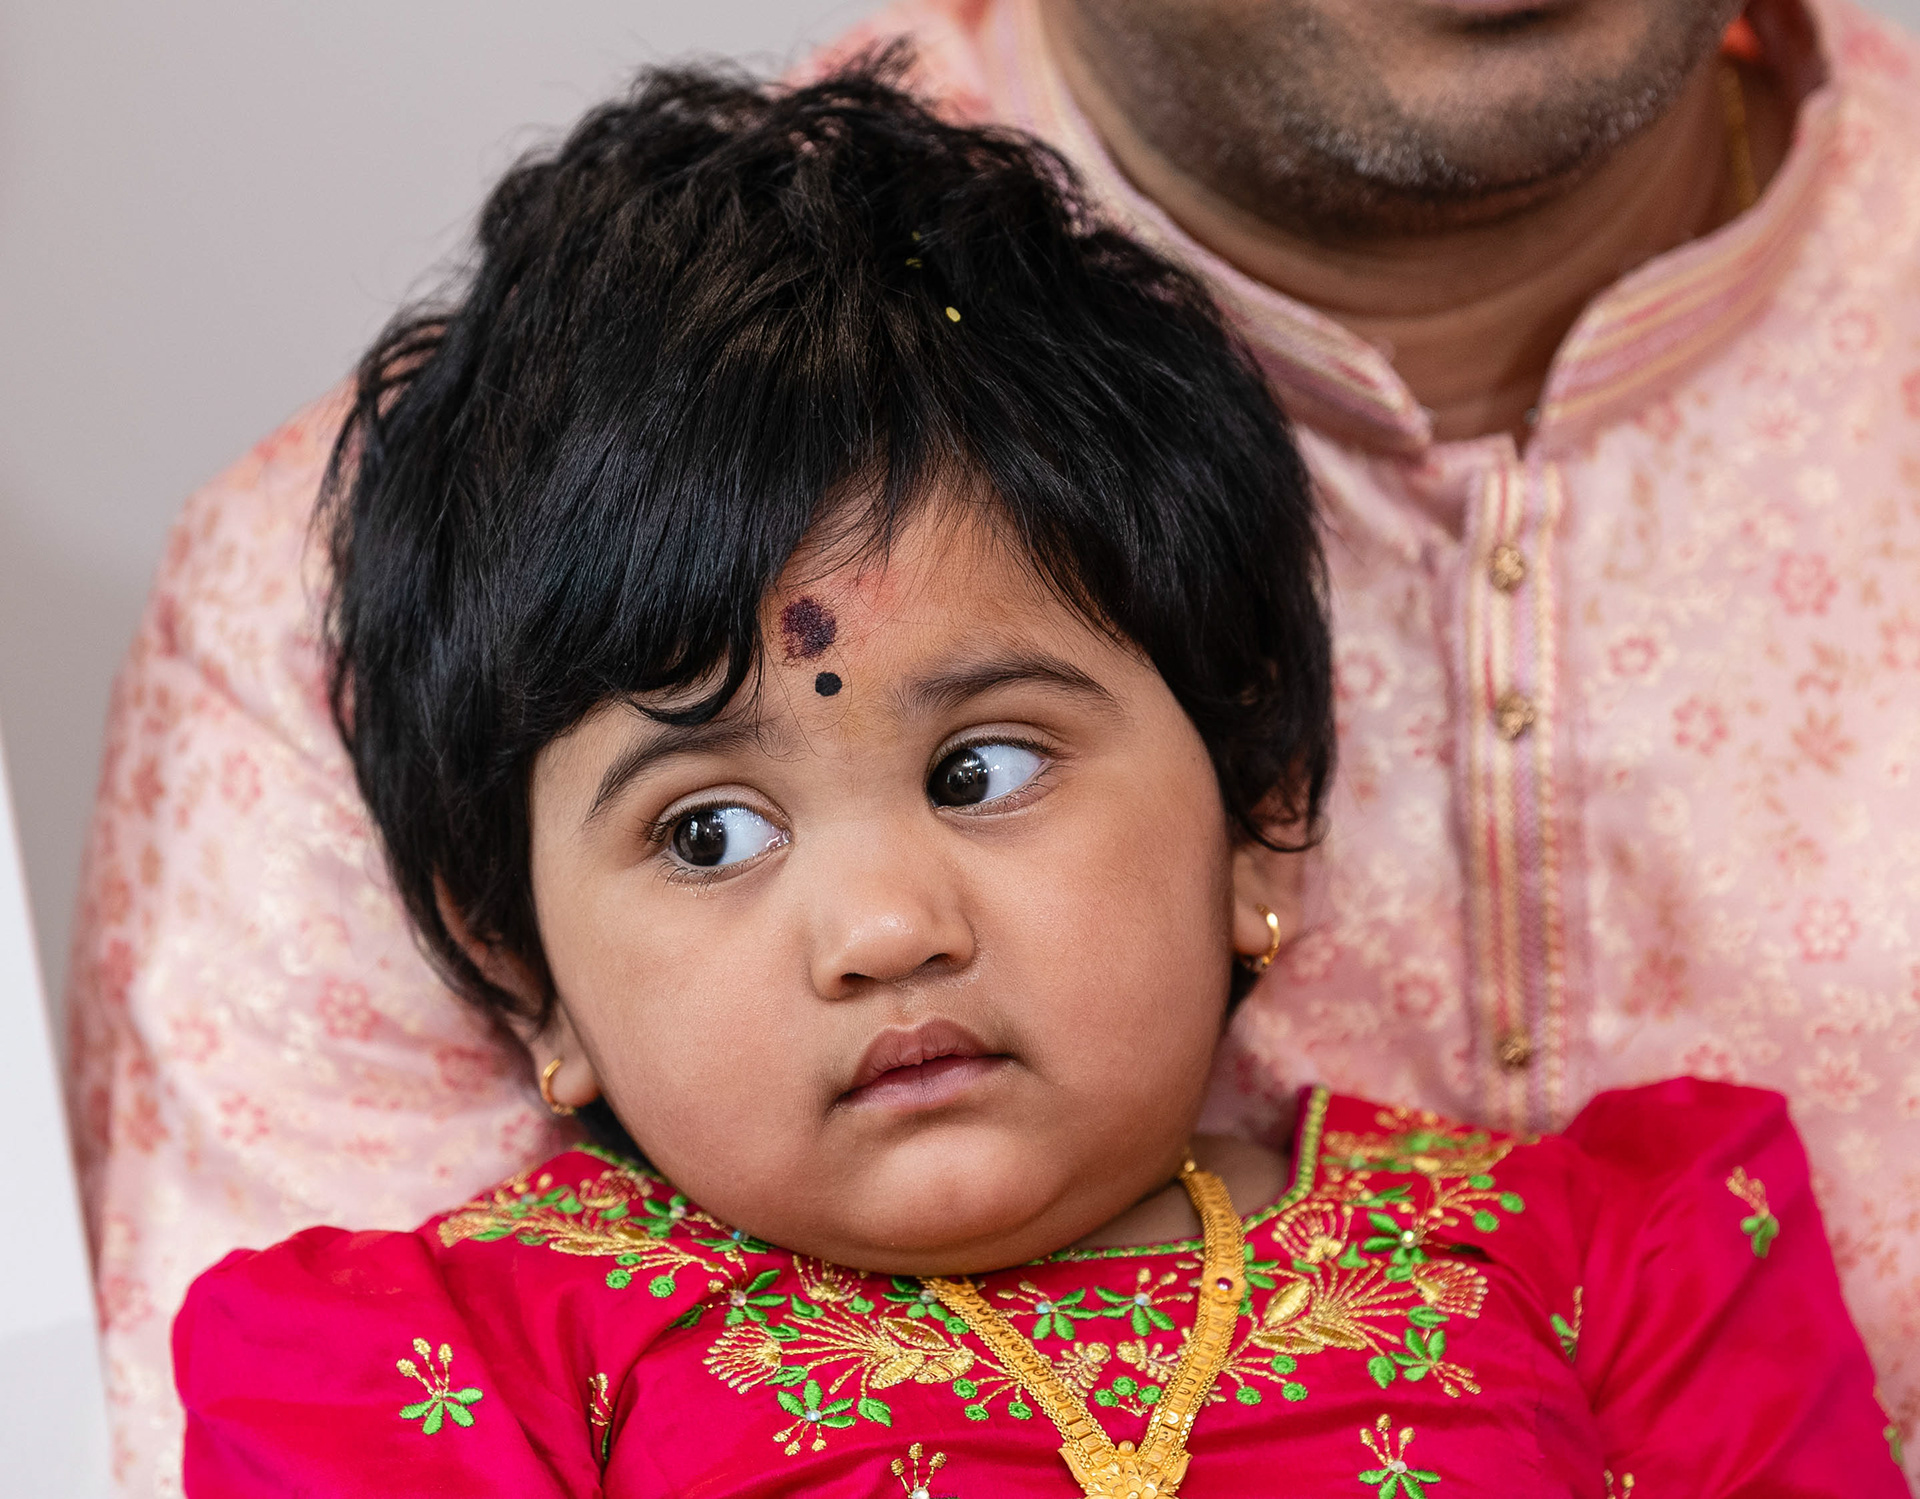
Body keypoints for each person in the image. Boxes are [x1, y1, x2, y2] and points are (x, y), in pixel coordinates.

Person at [66, 0, 1920, 1490]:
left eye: (983, 773)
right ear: (516, 969)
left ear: (1264, 808)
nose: (887, 926)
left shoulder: (1627, 1274)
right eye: (708, 834)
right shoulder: (453, 1376)